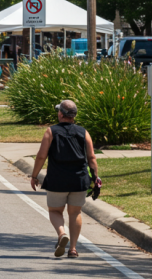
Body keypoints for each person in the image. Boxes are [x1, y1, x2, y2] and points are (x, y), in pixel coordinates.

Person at [31, 100, 101, 259]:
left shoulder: (51, 131)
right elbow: (91, 157)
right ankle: (73, 249)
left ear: (61, 114)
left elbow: (41, 156)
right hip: (79, 179)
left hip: (57, 180)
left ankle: (62, 234)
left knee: (55, 211)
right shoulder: (83, 132)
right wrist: (95, 178)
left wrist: (34, 176)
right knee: (75, 212)